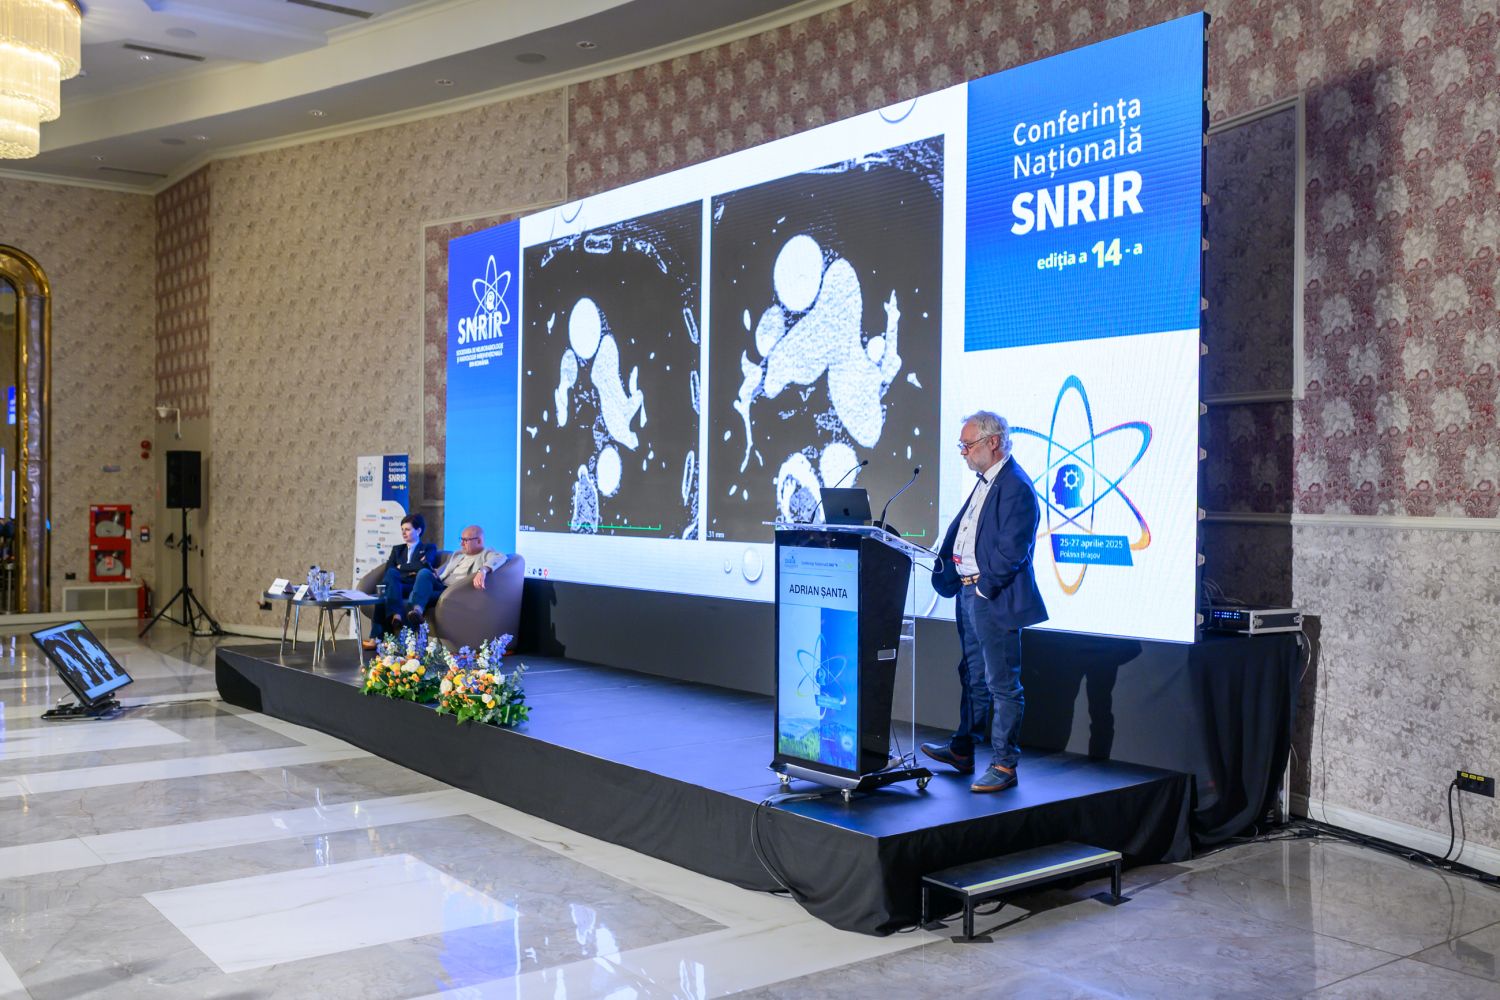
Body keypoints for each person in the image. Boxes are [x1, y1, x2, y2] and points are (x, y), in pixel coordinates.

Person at [921, 410, 1048, 793]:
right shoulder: (986, 482)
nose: (963, 452)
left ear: (993, 442)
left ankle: (1005, 764)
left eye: (968, 444)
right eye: (961, 445)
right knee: (973, 676)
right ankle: (963, 750)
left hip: (992, 597)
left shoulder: (1016, 485)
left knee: (1002, 683)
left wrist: (983, 589)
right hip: (968, 592)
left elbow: (1013, 549)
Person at [365, 513, 439, 648]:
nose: (404, 533)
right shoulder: (397, 550)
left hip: (415, 586)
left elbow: (423, 567)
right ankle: (396, 616)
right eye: (402, 529)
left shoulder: (428, 548)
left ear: (418, 530)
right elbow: (389, 570)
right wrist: (409, 569)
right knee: (389, 580)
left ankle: (378, 637)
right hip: (397, 585)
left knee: (389, 588)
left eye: (408, 529)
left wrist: (401, 567)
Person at [437, 524, 508, 591]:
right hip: (440, 584)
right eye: (461, 539)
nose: (461, 544)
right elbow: (445, 570)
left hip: (451, 590)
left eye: (465, 540)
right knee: (429, 575)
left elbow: (501, 557)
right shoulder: (458, 554)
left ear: (479, 541)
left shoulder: (485, 554)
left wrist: (482, 571)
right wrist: (436, 574)